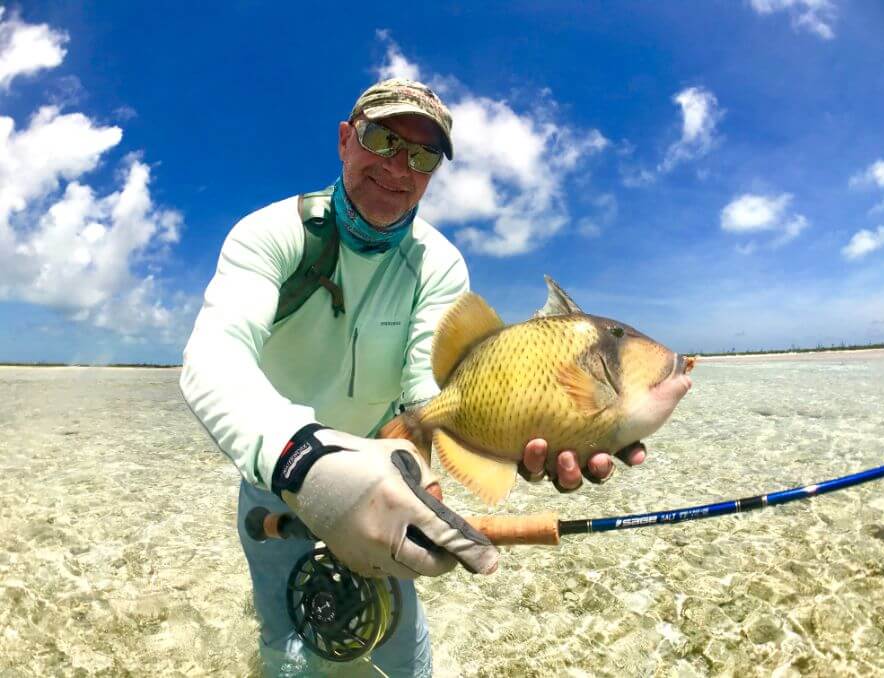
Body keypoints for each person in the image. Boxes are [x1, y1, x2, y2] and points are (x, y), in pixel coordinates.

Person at [180, 78, 645, 677]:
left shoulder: (439, 263)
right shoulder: (272, 234)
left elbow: (427, 392)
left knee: (406, 653)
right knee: (286, 647)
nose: (400, 166)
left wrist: (521, 429)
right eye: (382, 139)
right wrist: (303, 460)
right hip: (276, 474)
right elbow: (213, 358)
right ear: (346, 141)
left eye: (423, 156)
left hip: (384, 472)